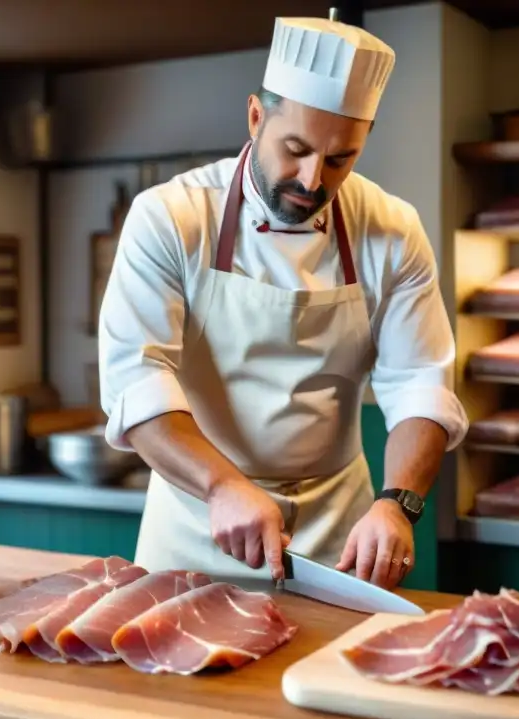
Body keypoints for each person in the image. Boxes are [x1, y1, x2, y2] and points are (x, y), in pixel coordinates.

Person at [98, 14, 467, 591]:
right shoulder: (171, 217)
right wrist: (222, 486)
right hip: (197, 521)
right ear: (254, 117)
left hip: (337, 536)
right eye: (294, 148)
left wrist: (398, 504)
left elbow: (420, 382)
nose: (312, 179)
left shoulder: (392, 230)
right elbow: (138, 382)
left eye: (341, 159)